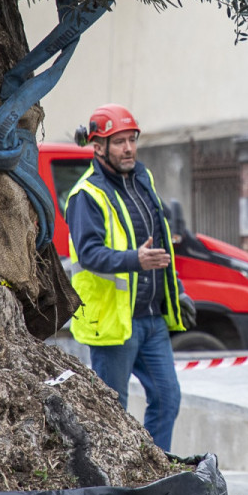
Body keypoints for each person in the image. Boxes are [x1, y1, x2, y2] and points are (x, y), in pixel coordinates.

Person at [65, 103, 186, 452]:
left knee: (168, 399)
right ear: (98, 146)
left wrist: (176, 292)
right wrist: (136, 259)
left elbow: (161, 245)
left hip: (151, 319)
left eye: (132, 139)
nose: (129, 148)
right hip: (114, 323)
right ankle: (116, 487)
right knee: (112, 411)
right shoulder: (87, 195)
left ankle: (155, 470)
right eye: (118, 141)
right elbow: (89, 254)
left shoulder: (143, 181)